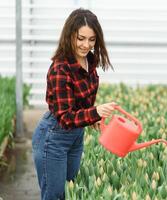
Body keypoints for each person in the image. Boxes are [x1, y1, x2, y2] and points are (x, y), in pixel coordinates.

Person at [32, 8, 116, 200]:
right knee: (55, 196)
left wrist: (92, 117)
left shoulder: (89, 62)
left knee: (69, 193)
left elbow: (80, 104)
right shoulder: (60, 68)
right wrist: (94, 112)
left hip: (76, 136)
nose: (86, 45)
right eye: (81, 38)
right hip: (54, 137)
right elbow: (65, 117)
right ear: (70, 35)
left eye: (92, 39)